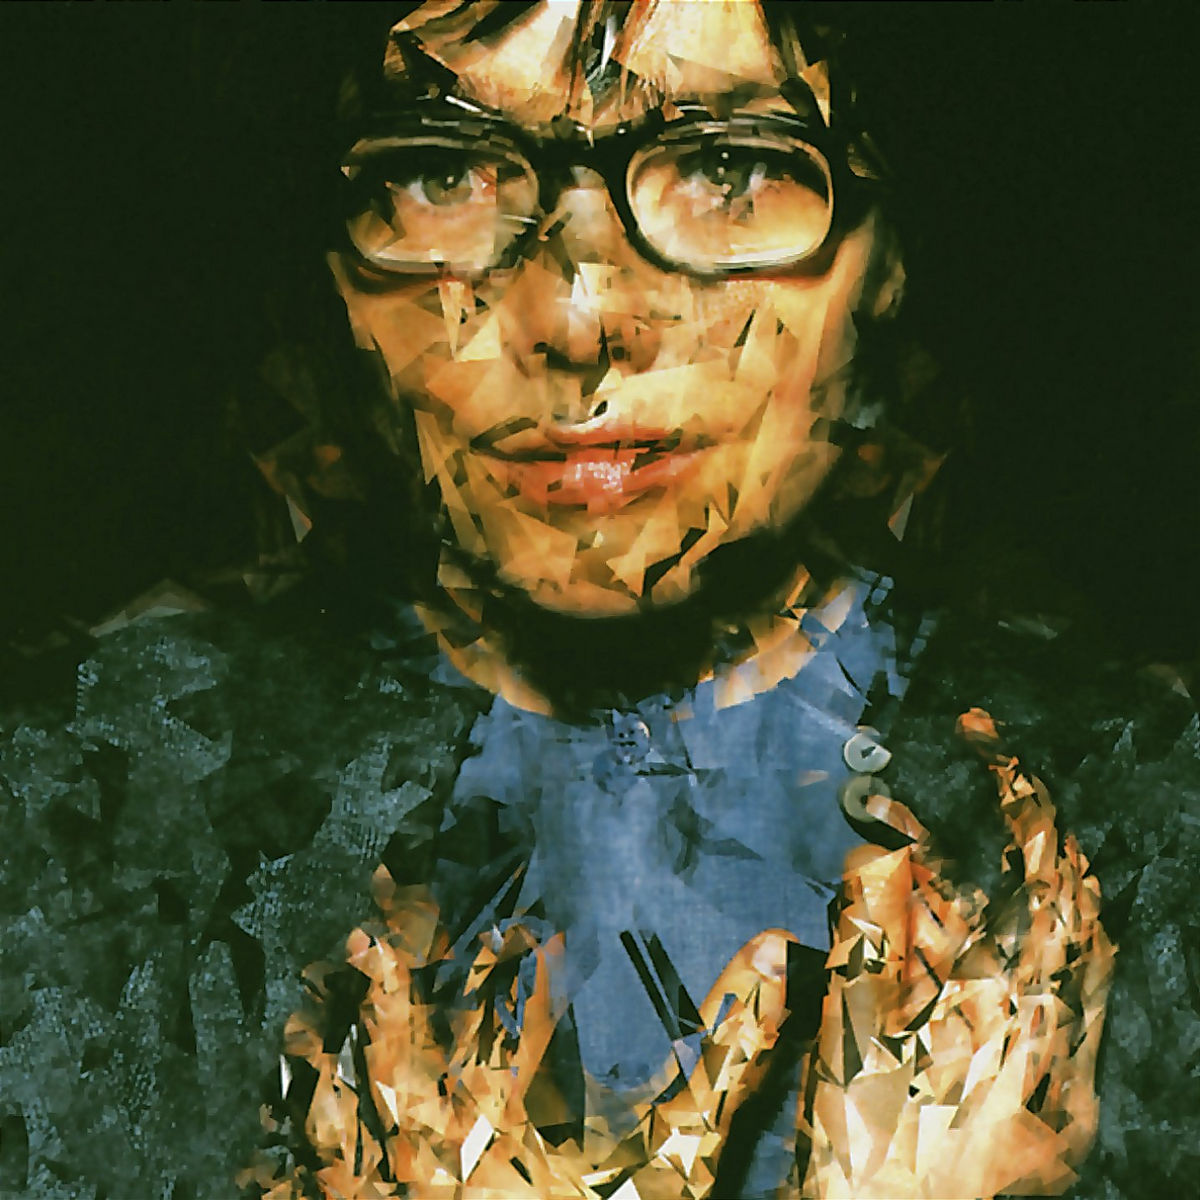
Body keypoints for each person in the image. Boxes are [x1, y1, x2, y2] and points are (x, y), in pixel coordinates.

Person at [4, 5, 1195, 1200]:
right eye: (443, 172)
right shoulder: (80, 814)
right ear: (328, 265)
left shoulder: (1143, 822)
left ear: (890, 255)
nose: (579, 319)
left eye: (729, 167)